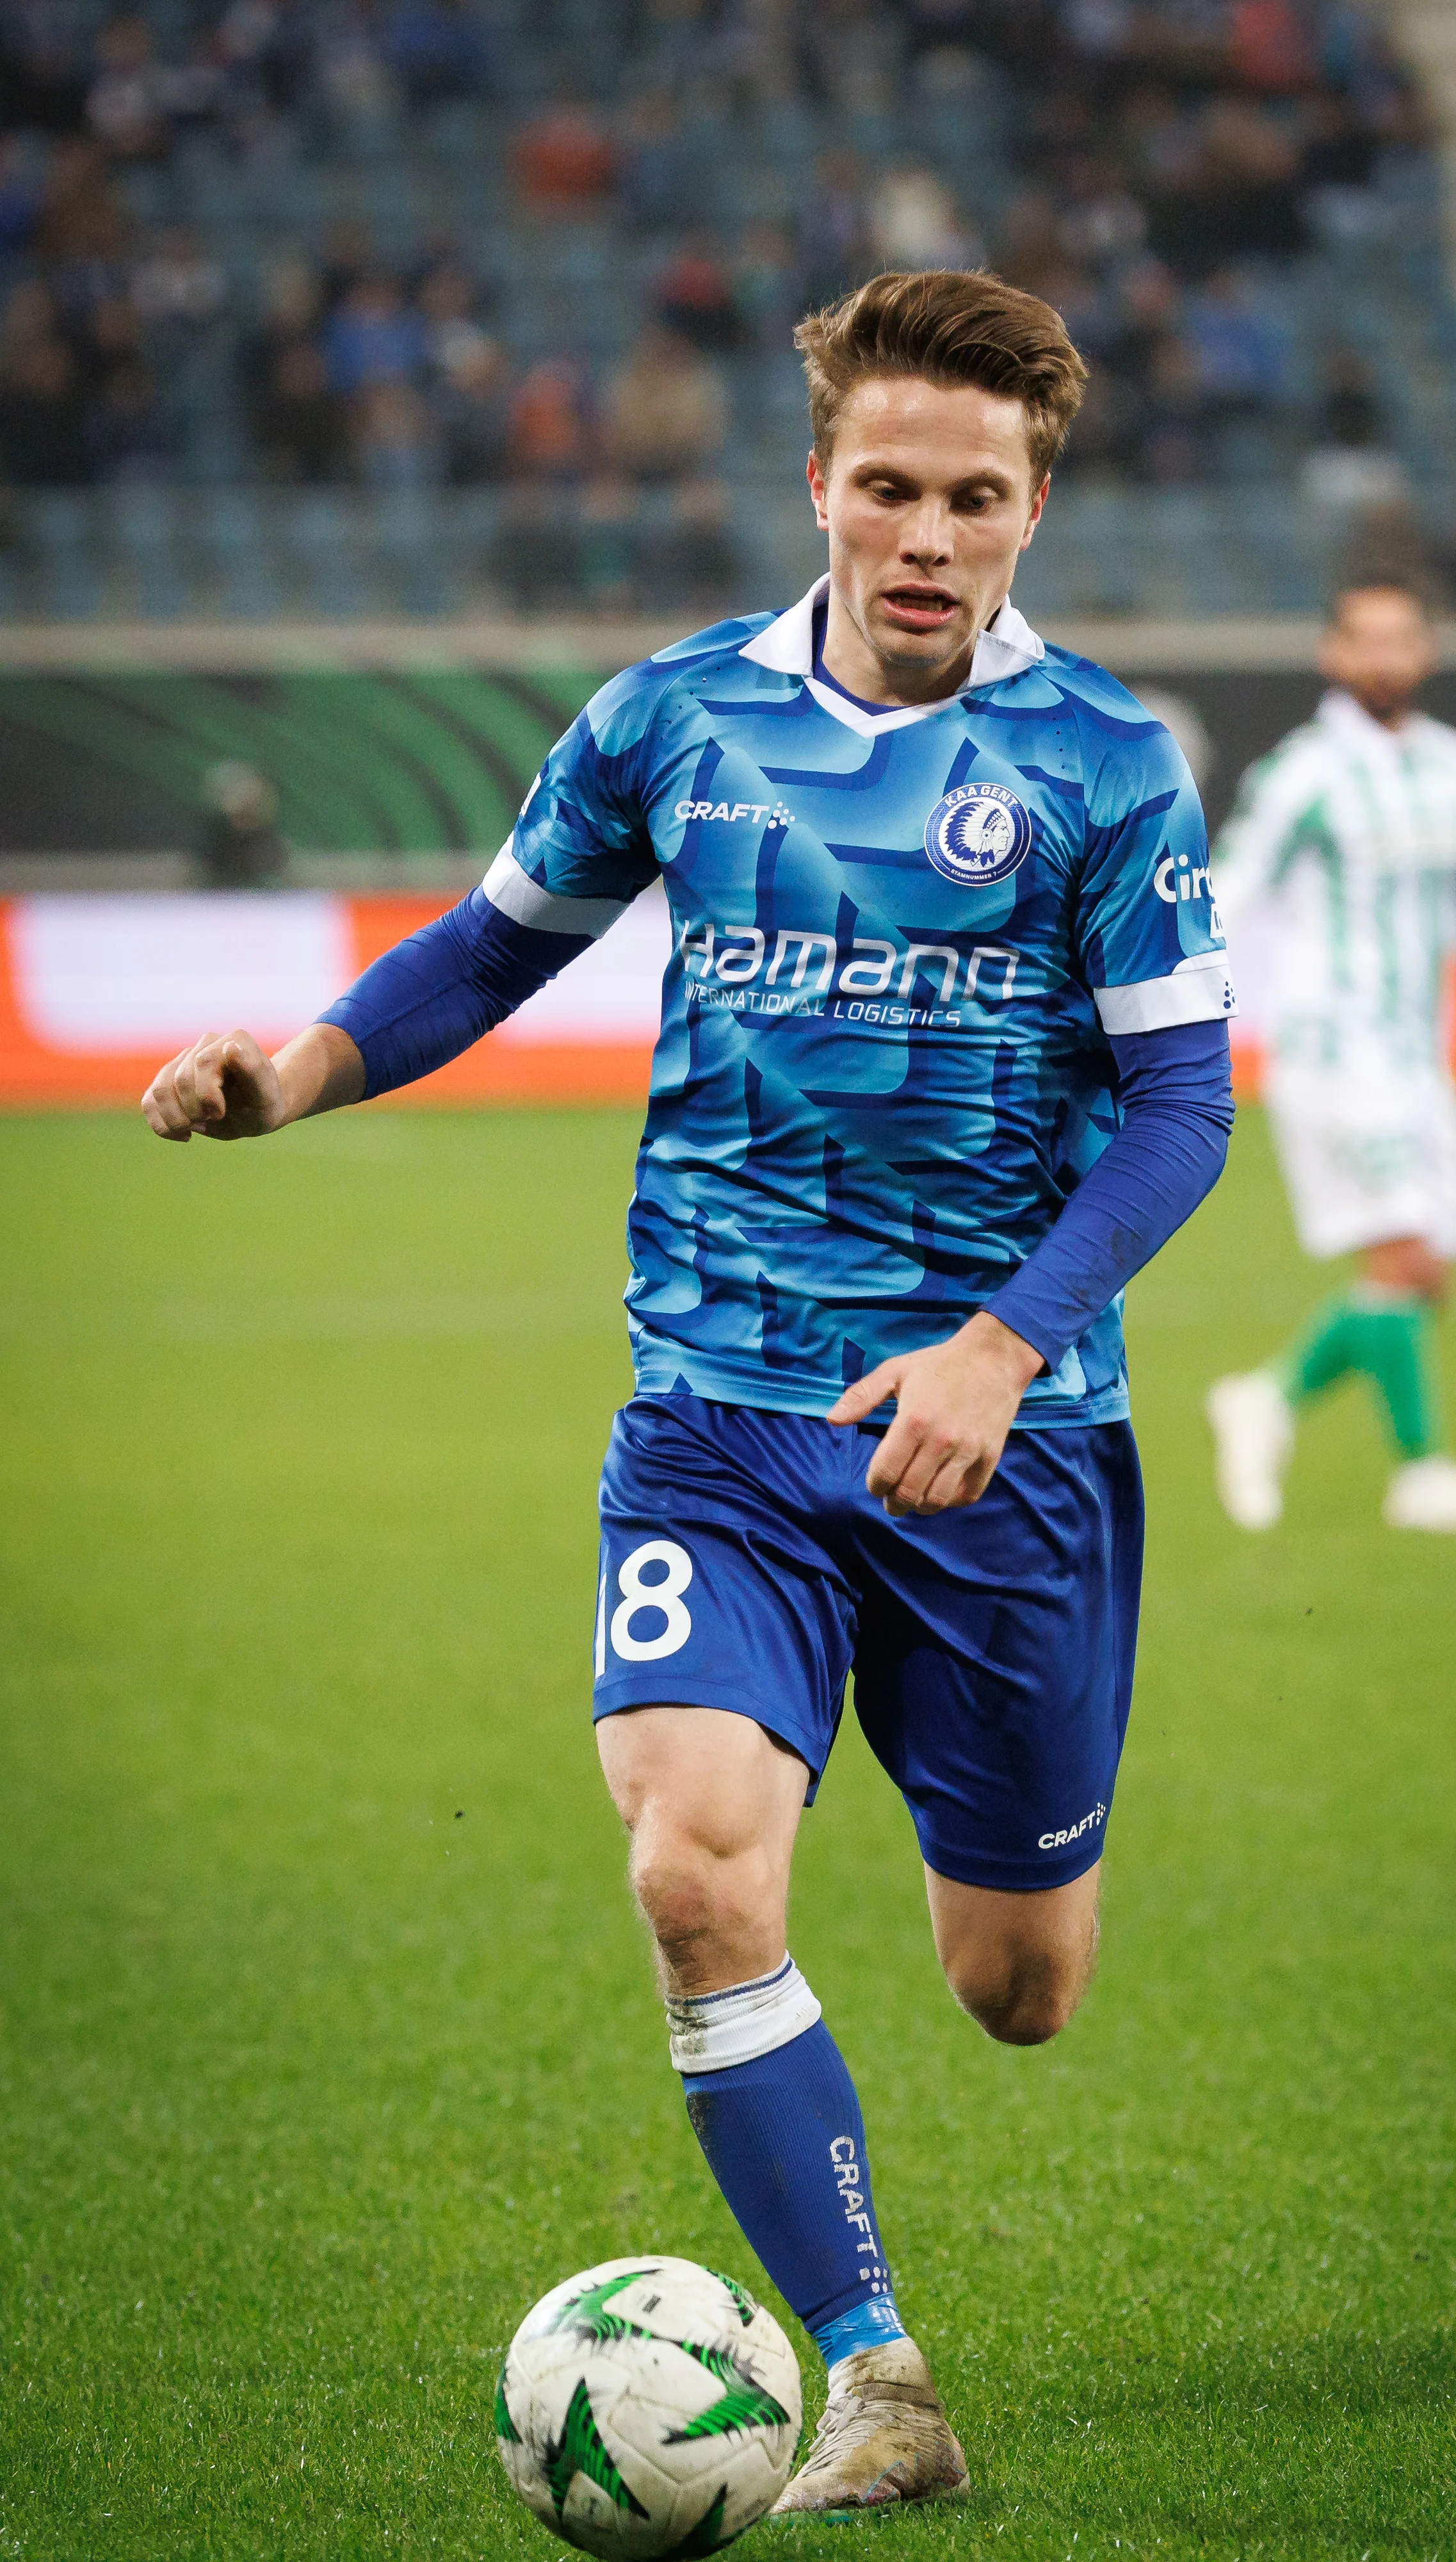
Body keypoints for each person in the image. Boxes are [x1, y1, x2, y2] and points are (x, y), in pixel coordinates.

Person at [140, 270, 1235, 2513]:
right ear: (817, 484)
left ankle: (994, 1904)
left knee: (1017, 1984)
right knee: (694, 1873)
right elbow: (489, 946)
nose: (928, 535)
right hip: (718, 1413)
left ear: (1034, 510)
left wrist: (1004, 1341)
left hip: (996, 1444)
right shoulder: (674, 721)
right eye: (890, 488)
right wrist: (298, 1069)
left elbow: (1181, 1108)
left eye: (979, 498)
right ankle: (875, 2375)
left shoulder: (1103, 761)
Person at [1205, 578, 1456, 1538]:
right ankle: (1423, 1475)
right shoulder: (1306, 773)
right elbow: (1230, 890)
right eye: (1363, 641)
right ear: (1333, 655)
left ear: (1427, 652)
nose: (1382, 658)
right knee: (1405, 1256)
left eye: (1400, 639)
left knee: (1427, 1275)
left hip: (1422, 1058)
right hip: (1336, 1055)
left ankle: (1268, 1398)